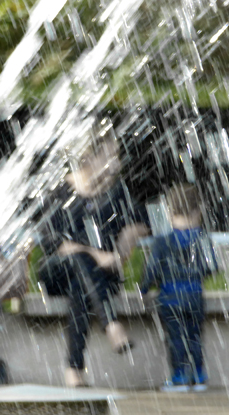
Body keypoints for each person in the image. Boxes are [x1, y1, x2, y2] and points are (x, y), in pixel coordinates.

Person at [36, 132, 149, 387]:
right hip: (58, 273)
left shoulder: (117, 191)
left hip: (100, 276)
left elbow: (143, 222)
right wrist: (96, 254)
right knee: (78, 262)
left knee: (82, 288)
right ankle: (110, 324)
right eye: (111, 156)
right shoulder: (59, 192)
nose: (117, 164)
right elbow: (56, 244)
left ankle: (74, 371)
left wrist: (130, 235)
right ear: (88, 157)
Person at [139, 184, 217, 392]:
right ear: (198, 211)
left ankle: (179, 377)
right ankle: (199, 375)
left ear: (169, 213)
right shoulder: (202, 239)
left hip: (169, 297)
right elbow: (212, 267)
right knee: (195, 336)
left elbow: (151, 270)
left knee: (175, 338)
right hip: (194, 296)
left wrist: (145, 289)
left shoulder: (162, 242)